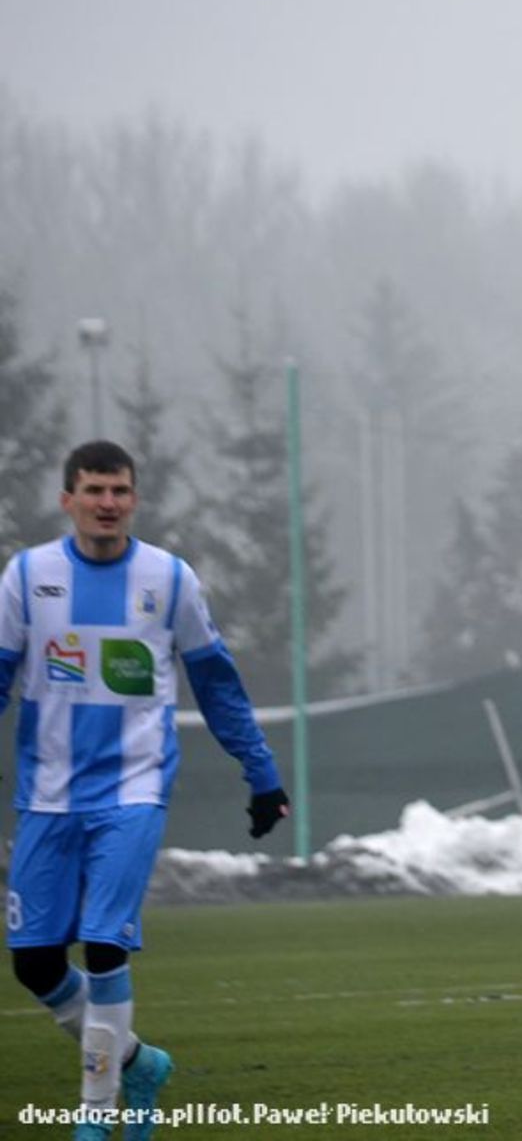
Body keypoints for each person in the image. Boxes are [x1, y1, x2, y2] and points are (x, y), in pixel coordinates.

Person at [3, 441, 290, 1141]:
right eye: (95, 490)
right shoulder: (26, 576)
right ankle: (137, 1062)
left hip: (132, 790)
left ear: (134, 498)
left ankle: (96, 1117)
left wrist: (262, 774)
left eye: (120, 491)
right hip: (47, 792)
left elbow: (217, 686)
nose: (108, 503)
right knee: (34, 961)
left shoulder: (169, 579)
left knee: (104, 943)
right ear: (68, 497)